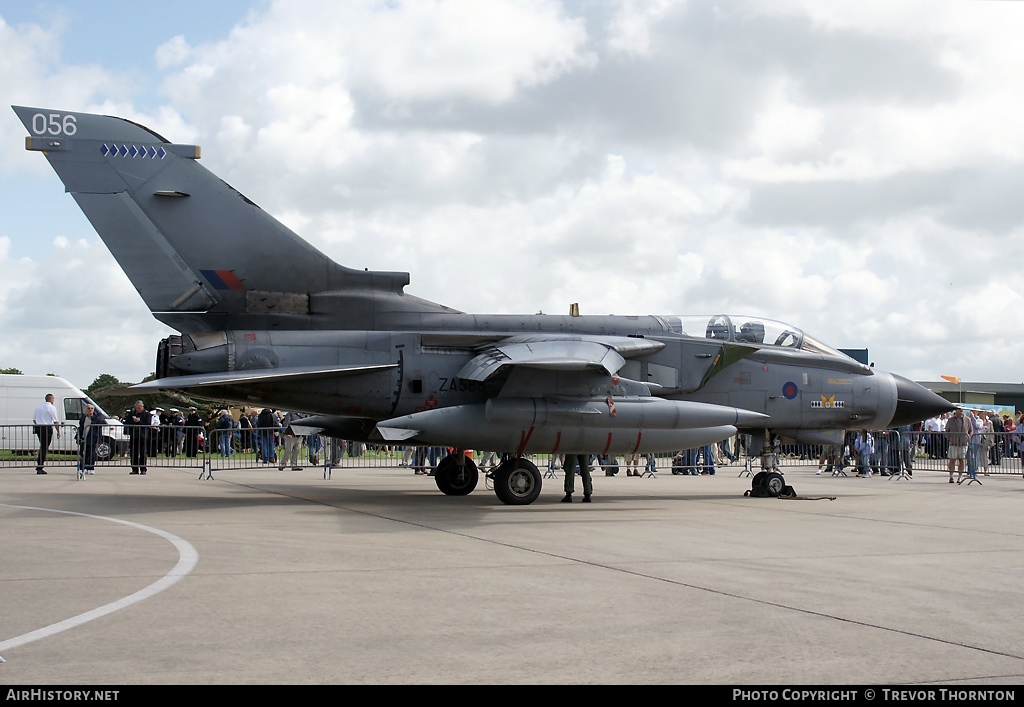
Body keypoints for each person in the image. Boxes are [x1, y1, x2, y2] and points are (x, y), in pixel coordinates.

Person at [32, 393, 61, 474]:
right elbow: (55, 421)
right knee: (45, 447)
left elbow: (34, 419)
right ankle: (40, 466)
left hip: (39, 427)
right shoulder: (52, 408)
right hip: (47, 428)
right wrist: (58, 431)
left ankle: (39, 464)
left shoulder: (38, 407)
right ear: (51, 399)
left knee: (43, 446)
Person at [124, 400, 151, 475]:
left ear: (142, 407)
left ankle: (143, 469)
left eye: (139, 408)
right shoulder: (132, 413)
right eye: (137, 408)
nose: (138, 410)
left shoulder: (147, 414)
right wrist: (133, 421)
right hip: (134, 435)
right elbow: (127, 422)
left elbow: (148, 423)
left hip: (142, 435)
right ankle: (134, 469)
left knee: (142, 452)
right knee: (133, 452)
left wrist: (140, 421)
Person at [78, 403, 106, 474]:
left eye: (91, 408)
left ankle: (91, 468)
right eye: (88, 408)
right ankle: (83, 468)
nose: (90, 410)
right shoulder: (83, 418)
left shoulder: (97, 419)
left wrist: (98, 441)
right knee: (83, 454)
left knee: (91, 454)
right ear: (86, 410)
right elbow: (81, 428)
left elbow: (99, 431)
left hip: (93, 439)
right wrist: (79, 437)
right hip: (84, 438)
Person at [945, 408, 970, 484]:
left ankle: (960, 477)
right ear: (956, 411)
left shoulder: (967, 419)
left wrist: (967, 438)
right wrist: (950, 438)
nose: (961, 410)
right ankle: (951, 476)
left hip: (963, 443)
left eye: (962, 409)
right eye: (959, 409)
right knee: (952, 459)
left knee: (962, 460)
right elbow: (946, 431)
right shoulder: (951, 420)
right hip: (953, 443)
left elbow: (970, 430)